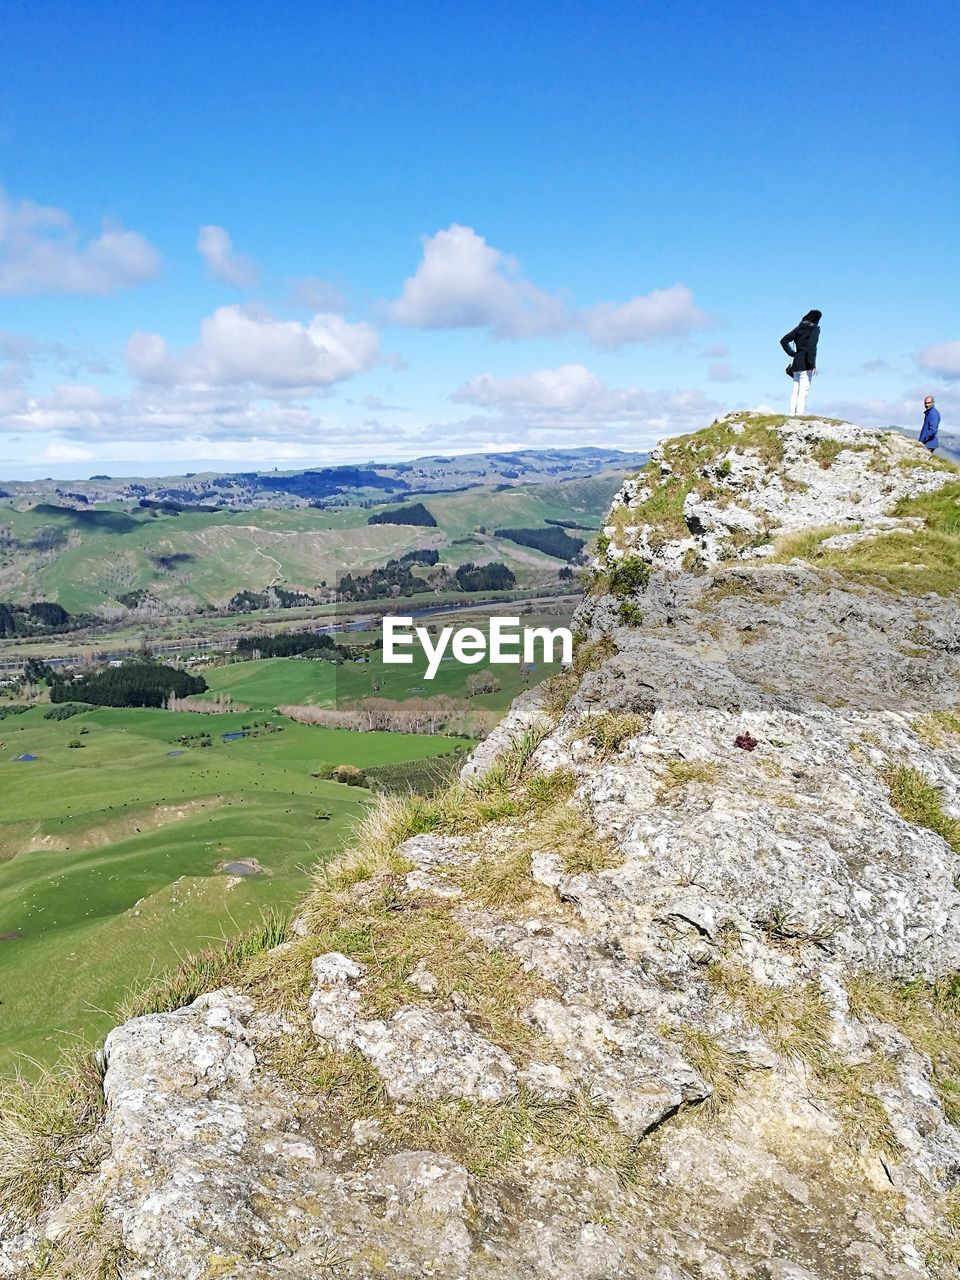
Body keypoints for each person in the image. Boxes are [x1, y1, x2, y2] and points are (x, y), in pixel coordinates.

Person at [780, 309, 822, 416]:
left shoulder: (799, 328)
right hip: (806, 364)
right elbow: (811, 347)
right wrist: (812, 365)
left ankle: (791, 414)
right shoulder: (815, 329)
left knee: (795, 391)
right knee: (803, 392)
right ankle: (799, 414)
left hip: (796, 363)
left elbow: (783, 341)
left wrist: (792, 353)